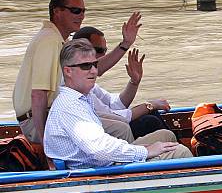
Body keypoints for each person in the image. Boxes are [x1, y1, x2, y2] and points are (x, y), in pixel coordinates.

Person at [12, 0, 142, 143]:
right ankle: (131, 163)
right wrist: (46, 144)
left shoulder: (59, 39)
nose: (81, 16)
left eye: (83, 11)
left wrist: (125, 44)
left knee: (121, 124)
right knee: (121, 129)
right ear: (57, 11)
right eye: (75, 11)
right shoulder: (49, 41)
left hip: (55, 114)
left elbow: (94, 69)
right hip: (37, 120)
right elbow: (38, 94)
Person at [44, 39, 192, 169]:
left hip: (102, 162)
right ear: (68, 71)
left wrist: (142, 149)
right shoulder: (70, 106)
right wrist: (146, 151)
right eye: (86, 66)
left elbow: (115, 112)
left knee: (165, 136)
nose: (94, 71)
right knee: (181, 152)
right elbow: (99, 148)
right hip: (99, 171)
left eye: (95, 64)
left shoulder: (82, 97)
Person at [73, 26, 170, 139]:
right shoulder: (76, 86)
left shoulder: (90, 85)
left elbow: (116, 104)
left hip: (110, 126)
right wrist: (150, 105)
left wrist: (134, 81)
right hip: (100, 135)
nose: (104, 56)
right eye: (99, 51)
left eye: (105, 51)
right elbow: (115, 116)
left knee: (151, 115)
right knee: (150, 121)